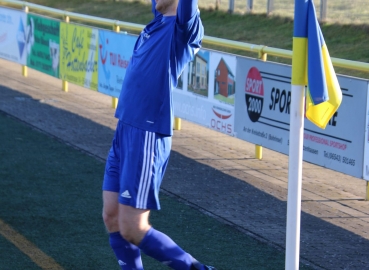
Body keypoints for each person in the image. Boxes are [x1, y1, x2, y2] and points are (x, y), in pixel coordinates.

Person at [102, 0, 217, 269]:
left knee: (133, 227)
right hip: (125, 128)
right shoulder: (158, 17)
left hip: (147, 134)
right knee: (112, 217)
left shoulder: (184, 26)